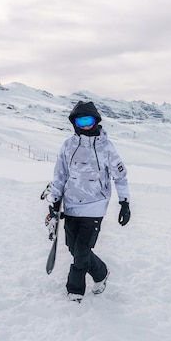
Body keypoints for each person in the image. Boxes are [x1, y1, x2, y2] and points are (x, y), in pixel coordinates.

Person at [47, 101, 131, 302]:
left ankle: (75, 290)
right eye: (81, 121)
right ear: (74, 123)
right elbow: (60, 174)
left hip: (95, 206)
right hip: (72, 205)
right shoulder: (68, 146)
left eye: (89, 120)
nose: (85, 125)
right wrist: (55, 200)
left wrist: (124, 202)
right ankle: (101, 273)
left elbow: (120, 176)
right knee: (74, 248)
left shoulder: (106, 148)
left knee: (82, 252)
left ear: (96, 121)